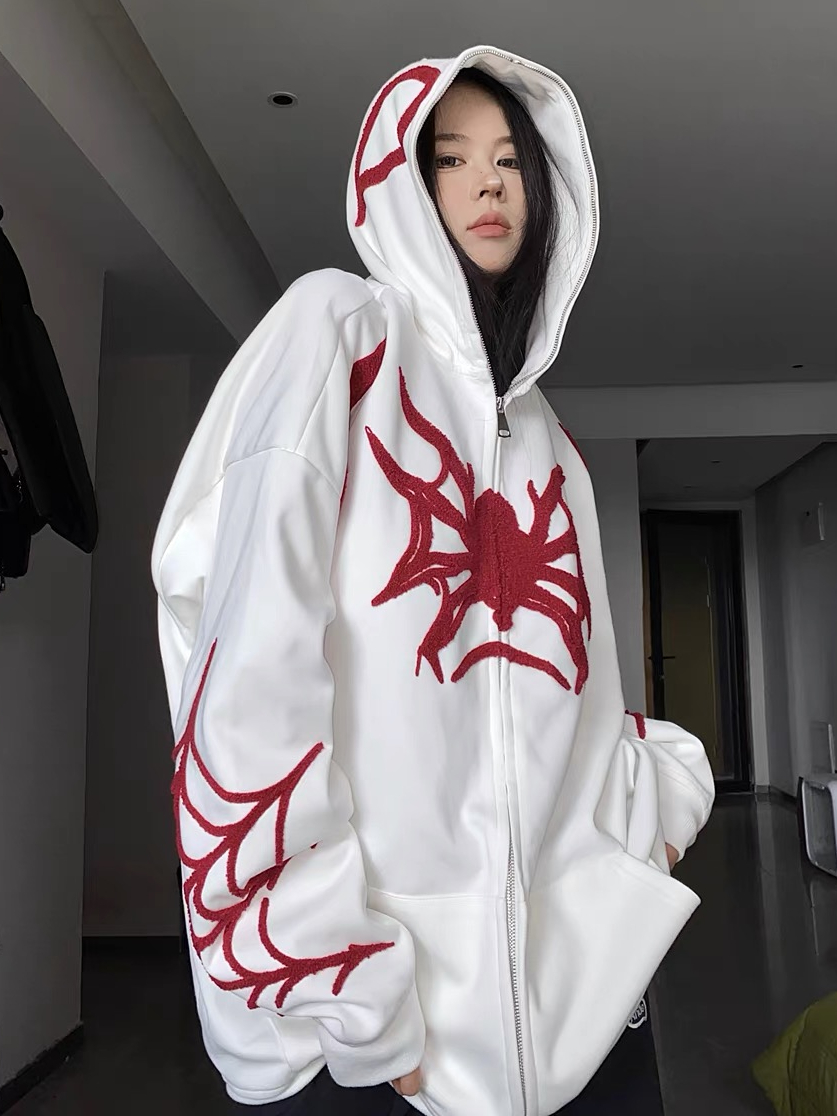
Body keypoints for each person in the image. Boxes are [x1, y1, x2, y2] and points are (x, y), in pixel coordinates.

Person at [152, 45, 715, 1116]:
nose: (487, 184)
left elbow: (587, 700)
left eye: (510, 162)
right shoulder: (336, 332)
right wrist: (346, 985)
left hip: (586, 1021)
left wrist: (659, 809)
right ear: (404, 184)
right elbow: (247, 683)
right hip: (377, 1039)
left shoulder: (551, 443)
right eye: (451, 158)